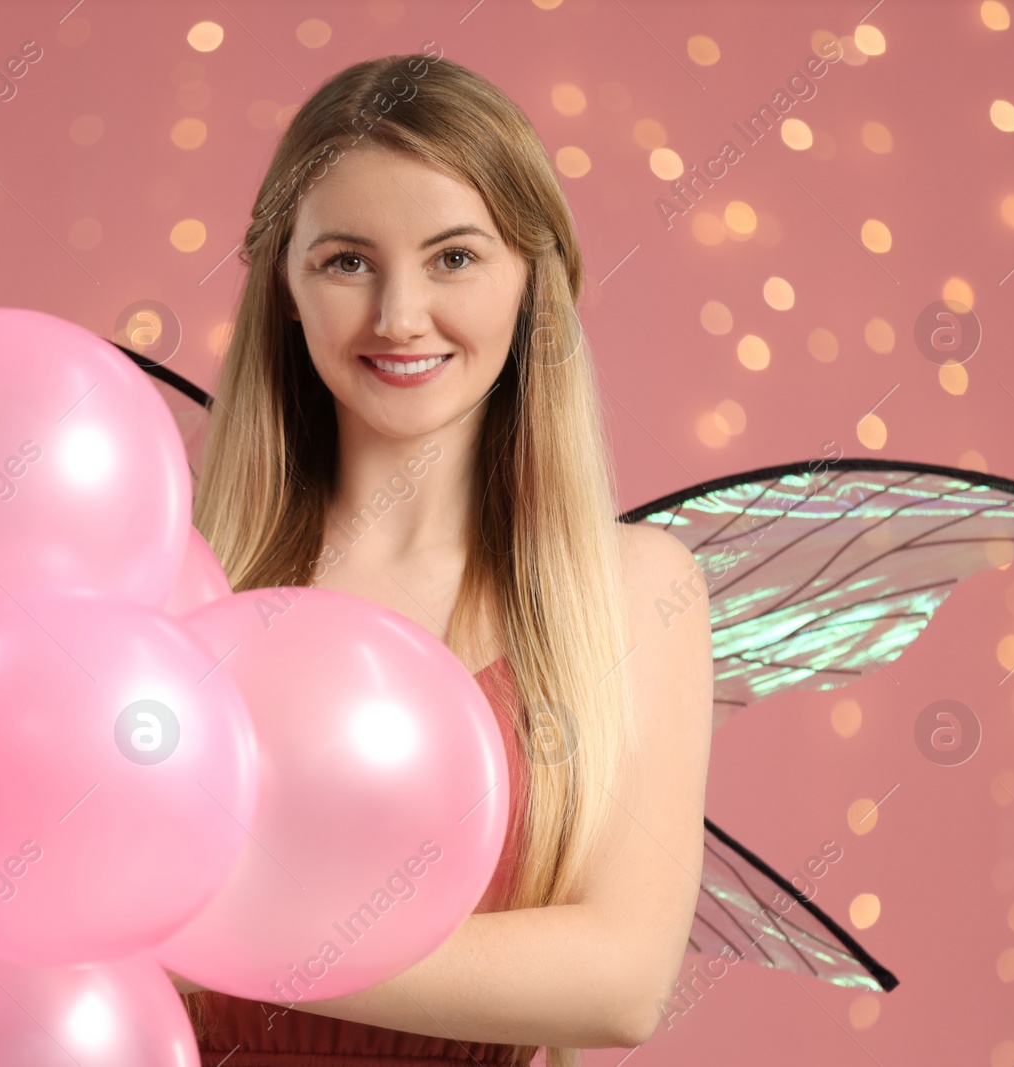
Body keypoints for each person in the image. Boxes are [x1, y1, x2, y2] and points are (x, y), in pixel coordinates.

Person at [169, 50, 713, 1067]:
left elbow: (620, 980)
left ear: (529, 280)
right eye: (345, 260)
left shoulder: (635, 590)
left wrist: (227, 936)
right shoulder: (184, 577)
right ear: (284, 284)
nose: (398, 316)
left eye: (454, 257)